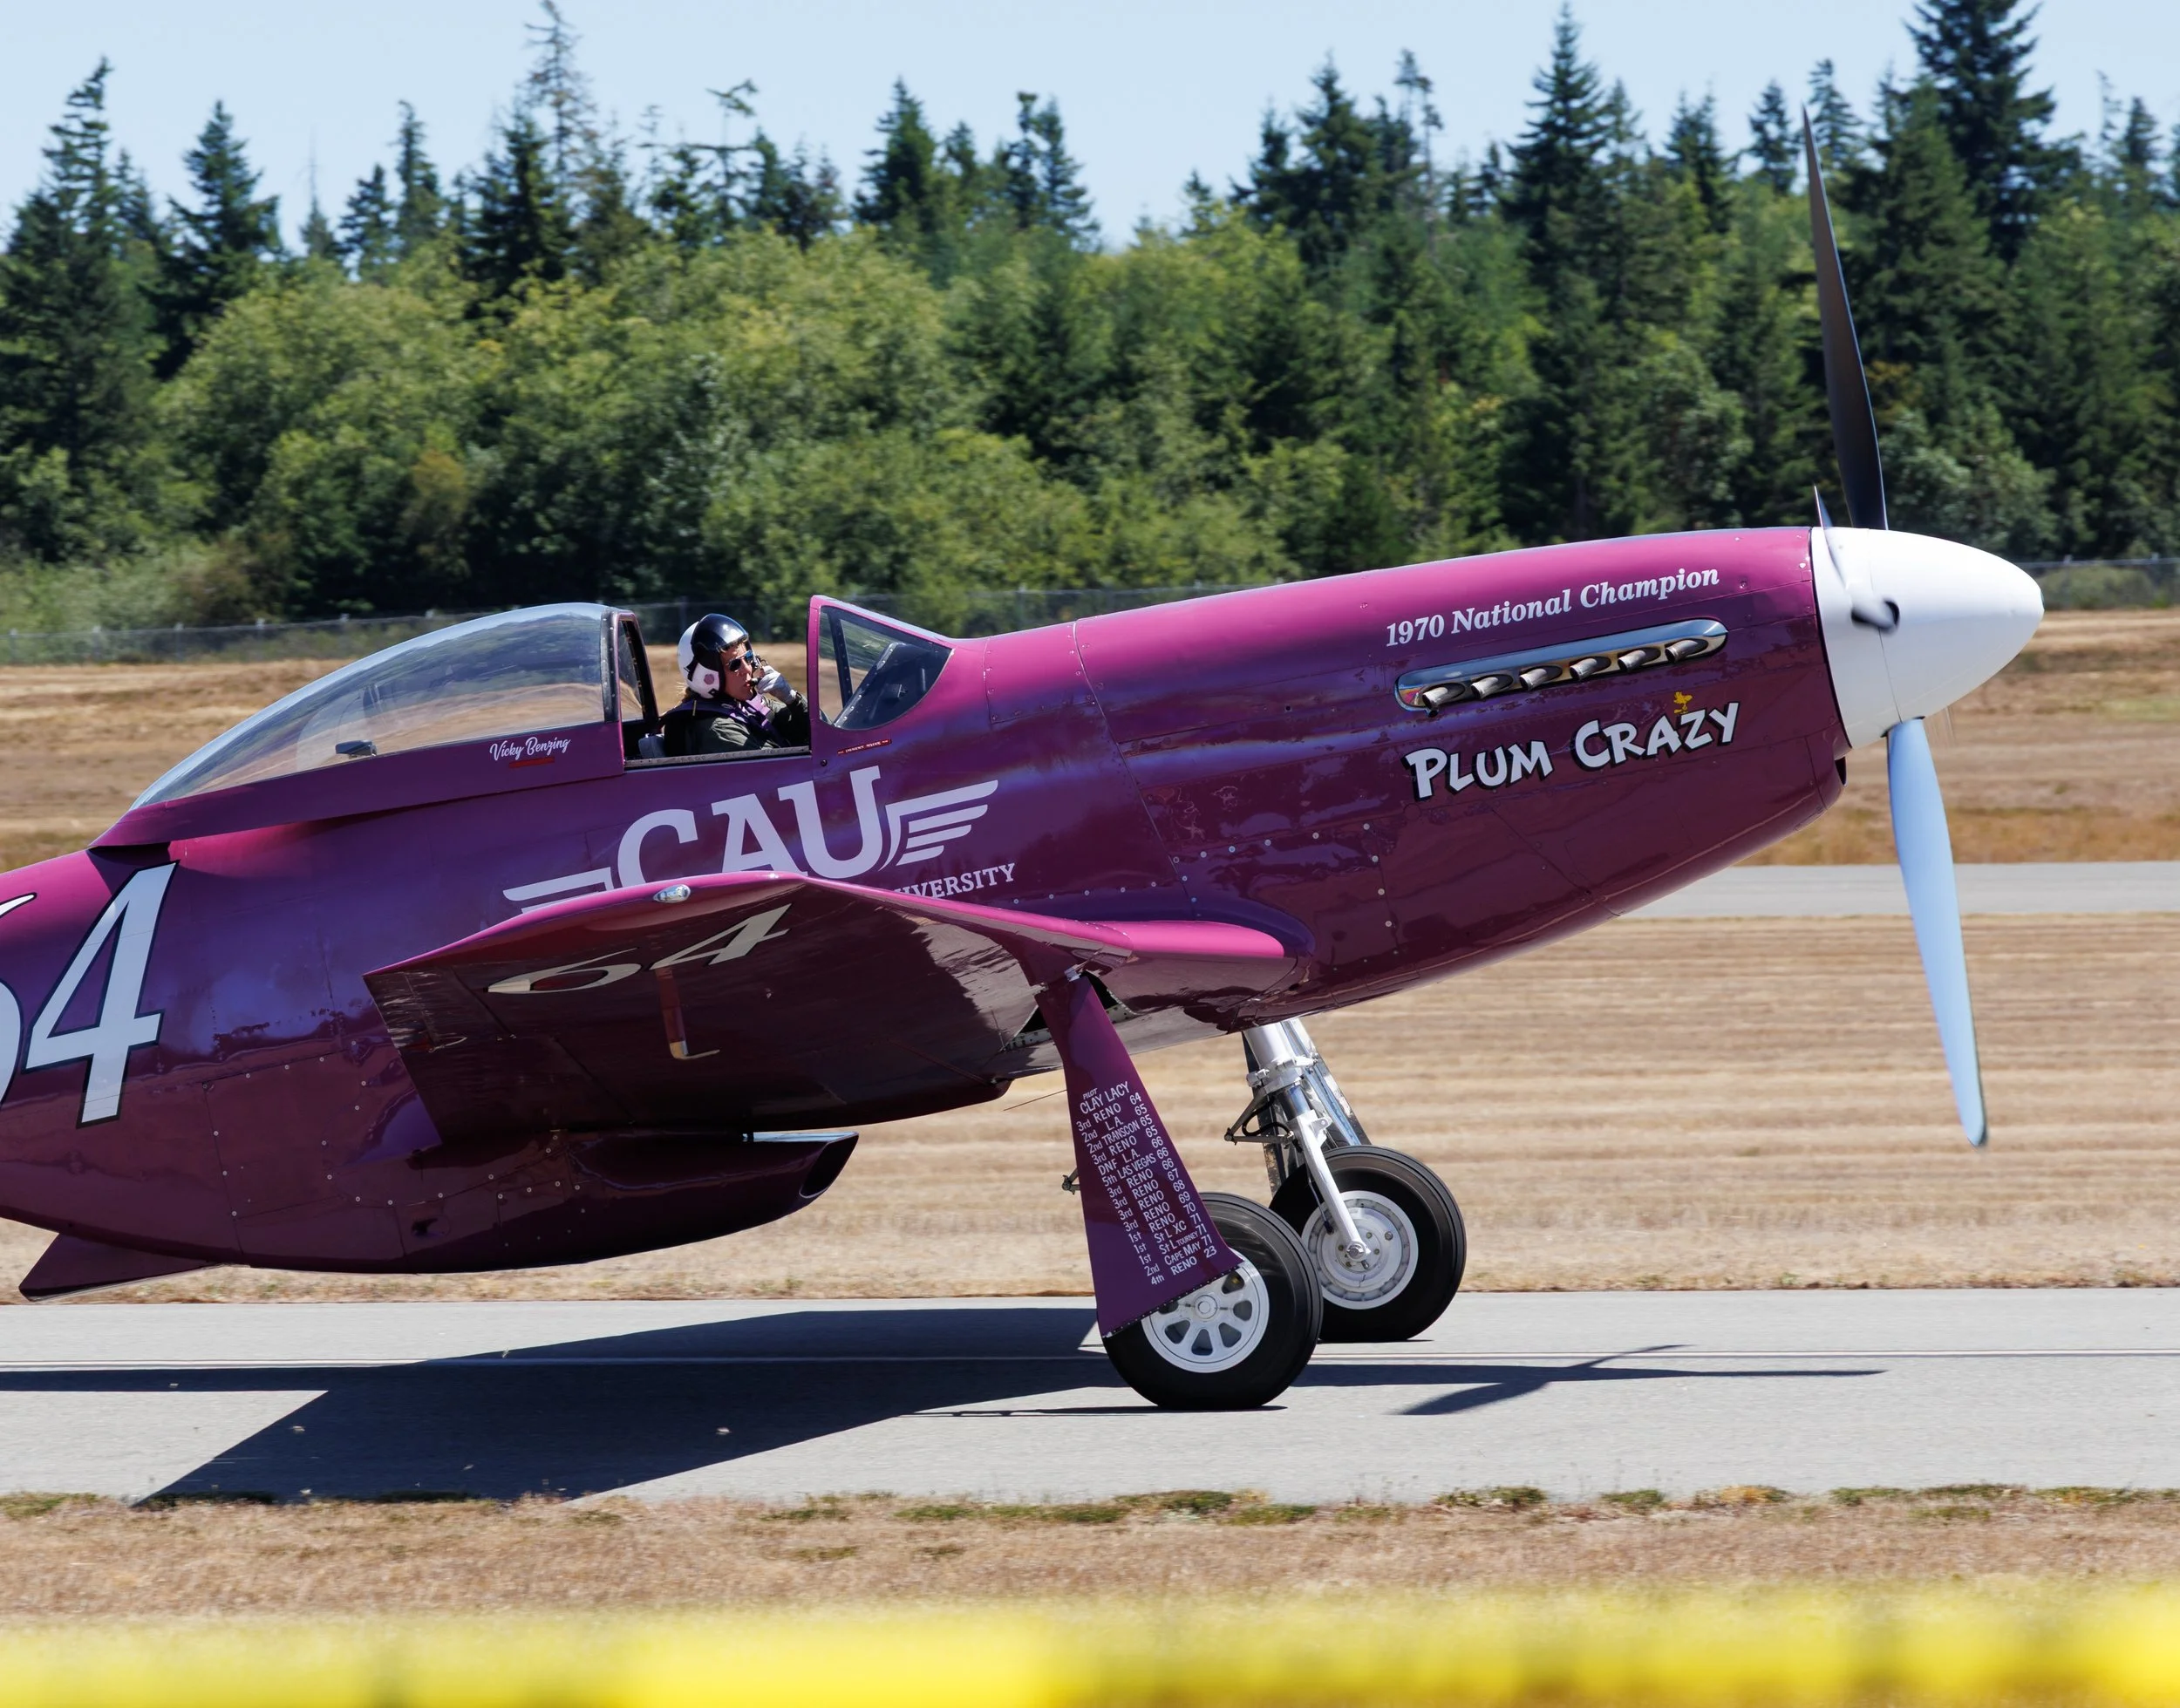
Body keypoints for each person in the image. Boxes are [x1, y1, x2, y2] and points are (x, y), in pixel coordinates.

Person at [659, 614, 811, 756]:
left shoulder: (748, 706)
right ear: (707, 676)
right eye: (735, 664)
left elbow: (825, 734)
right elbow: (783, 770)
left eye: (748, 657)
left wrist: (792, 699)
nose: (747, 669)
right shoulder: (718, 729)